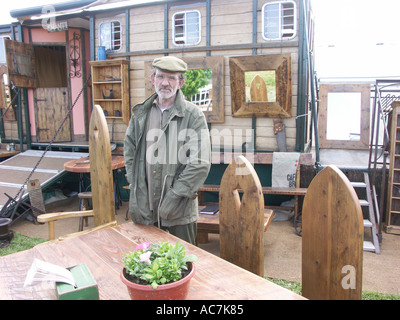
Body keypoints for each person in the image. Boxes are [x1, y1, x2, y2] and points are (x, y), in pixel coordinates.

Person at [124, 56, 211, 245]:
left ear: (181, 82)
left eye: (171, 78)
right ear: (152, 78)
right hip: (144, 209)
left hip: (178, 212)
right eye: (160, 76)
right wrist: (134, 182)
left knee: (181, 265)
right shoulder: (141, 113)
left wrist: (173, 197)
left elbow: (200, 164)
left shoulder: (193, 116)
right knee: (145, 263)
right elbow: (129, 150)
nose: (165, 83)